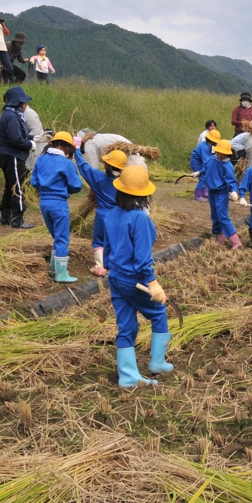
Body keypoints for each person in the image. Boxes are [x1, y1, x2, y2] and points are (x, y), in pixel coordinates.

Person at [103, 165, 173, 387]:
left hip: (115, 278)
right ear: (145, 194)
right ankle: (157, 363)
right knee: (159, 313)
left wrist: (105, 266)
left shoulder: (111, 214)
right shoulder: (139, 219)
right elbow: (142, 257)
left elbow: (107, 249)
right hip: (134, 280)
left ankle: (128, 376)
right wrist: (152, 282)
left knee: (126, 326)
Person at [31, 131, 82, 283]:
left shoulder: (41, 160)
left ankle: (54, 269)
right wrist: (68, 190)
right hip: (59, 203)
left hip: (44, 202)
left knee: (56, 236)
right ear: (67, 147)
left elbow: (34, 182)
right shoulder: (66, 163)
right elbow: (76, 185)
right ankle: (61, 274)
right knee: (62, 238)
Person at [75, 143, 126, 277]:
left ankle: (100, 267)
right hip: (120, 215)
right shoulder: (125, 182)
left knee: (99, 241)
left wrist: (76, 149)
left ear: (106, 164)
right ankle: (116, 264)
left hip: (103, 214)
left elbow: (83, 167)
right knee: (118, 239)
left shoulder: (98, 177)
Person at [0, 86, 36, 228]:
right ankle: (17, 220)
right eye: (23, 102)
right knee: (18, 187)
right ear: (16, 103)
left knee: (10, 186)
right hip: (12, 155)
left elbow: (19, 135)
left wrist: (36, 137)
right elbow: (16, 140)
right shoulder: (12, 116)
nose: (25, 105)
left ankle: (5, 217)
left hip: (8, 154)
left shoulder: (11, 114)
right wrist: (29, 144)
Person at [204, 139, 244, 248]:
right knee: (215, 216)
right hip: (212, 192)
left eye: (223, 153)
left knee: (222, 216)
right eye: (219, 152)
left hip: (221, 193)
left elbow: (232, 181)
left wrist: (234, 191)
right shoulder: (212, 160)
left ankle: (235, 241)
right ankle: (219, 237)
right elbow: (206, 169)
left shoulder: (227, 166)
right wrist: (199, 172)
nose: (220, 154)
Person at [191, 129, 220, 202]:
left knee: (208, 175)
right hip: (197, 163)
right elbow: (206, 161)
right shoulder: (204, 147)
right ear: (211, 140)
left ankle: (205, 192)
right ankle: (198, 194)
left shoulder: (208, 146)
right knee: (203, 176)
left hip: (202, 162)